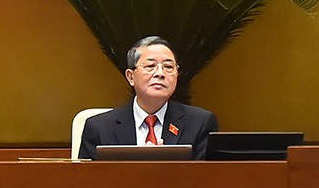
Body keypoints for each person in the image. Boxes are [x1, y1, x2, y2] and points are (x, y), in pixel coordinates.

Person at [77, 36, 218, 160]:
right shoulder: (99, 128)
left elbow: (207, 180)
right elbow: (88, 183)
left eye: (168, 67)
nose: (160, 73)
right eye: (150, 66)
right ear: (130, 77)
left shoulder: (200, 123)